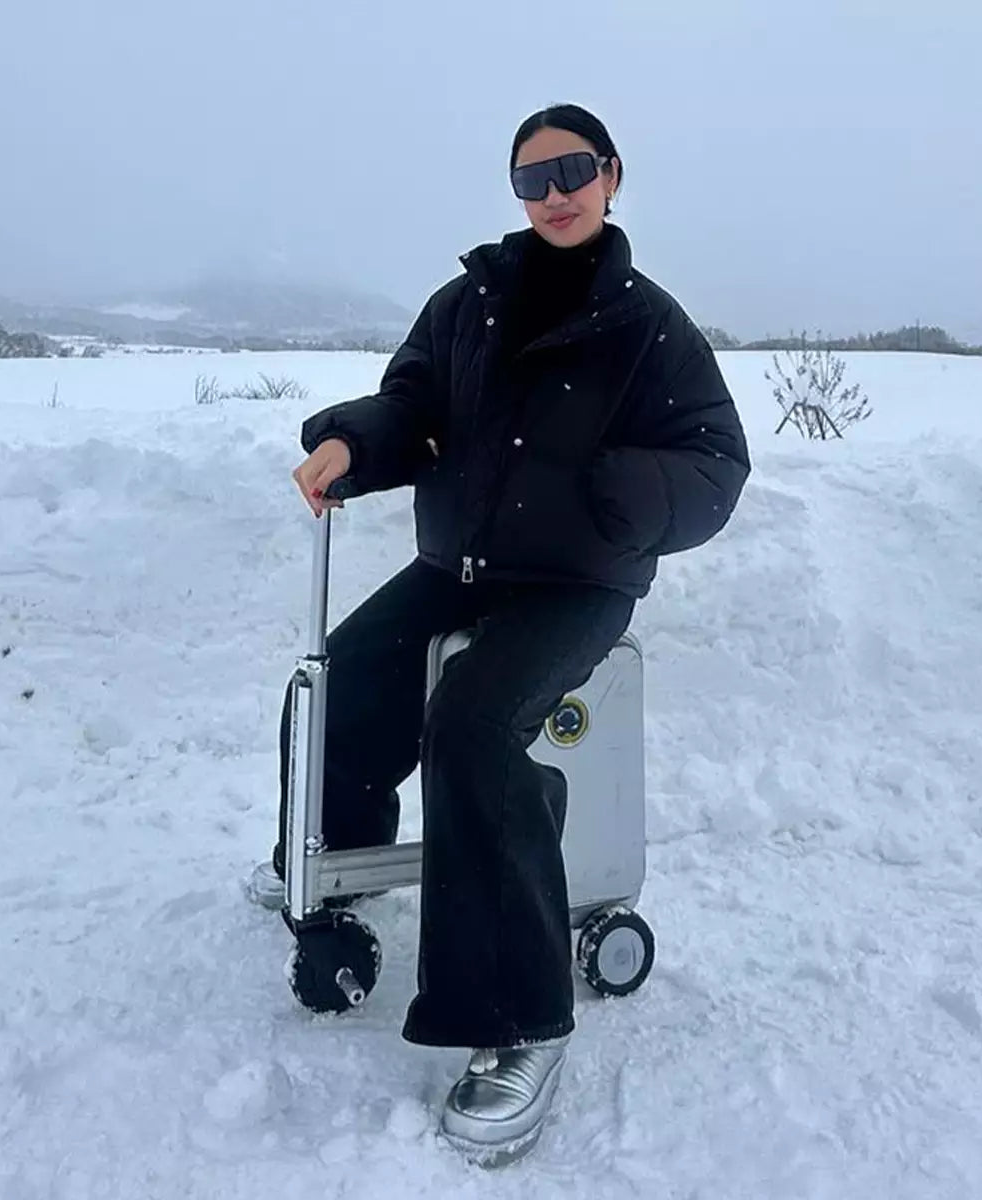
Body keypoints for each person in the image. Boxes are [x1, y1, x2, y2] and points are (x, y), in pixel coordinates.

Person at [247, 102, 750, 1163]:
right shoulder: (467, 302)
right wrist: (352, 444)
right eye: (533, 179)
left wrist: (619, 493)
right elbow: (412, 406)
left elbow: (716, 464)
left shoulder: (651, 326)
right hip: (459, 568)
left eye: (573, 170)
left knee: (473, 725)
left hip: (575, 586)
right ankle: (333, 871)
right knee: (340, 683)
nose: (555, 193)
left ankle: (521, 1019)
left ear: (611, 175)